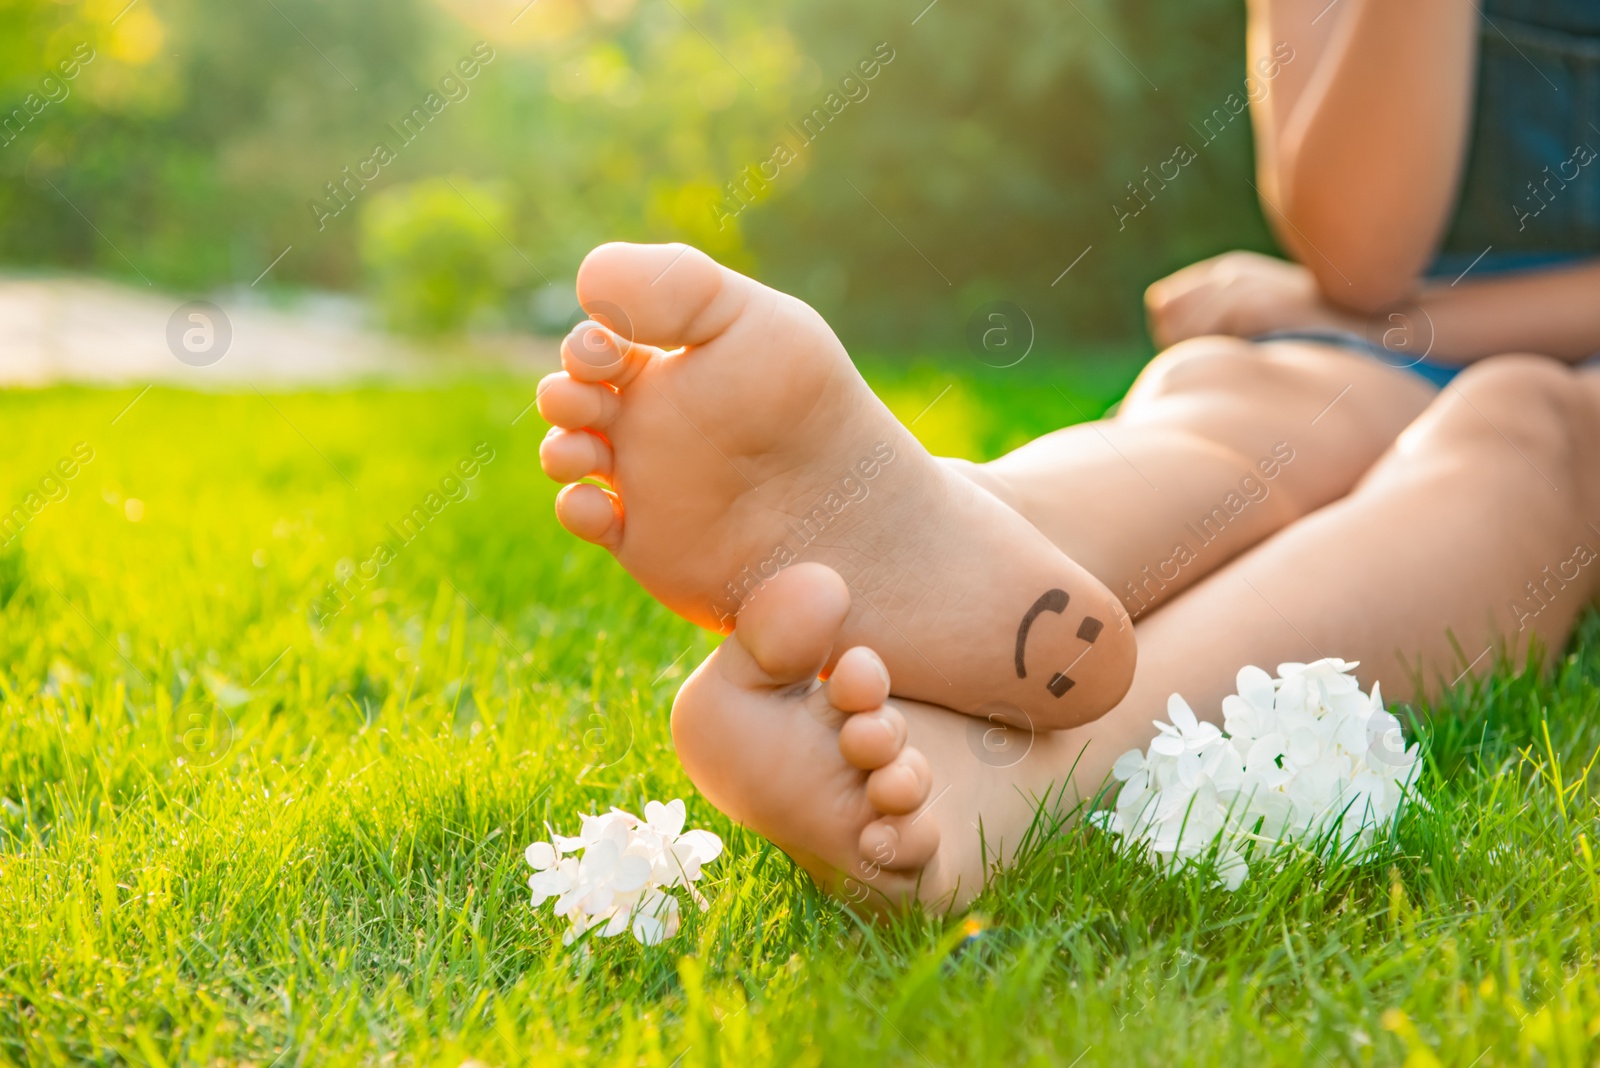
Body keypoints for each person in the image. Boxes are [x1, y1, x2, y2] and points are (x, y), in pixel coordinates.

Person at [537, 238, 1600, 913]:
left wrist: (1363, 322)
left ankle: (1019, 738)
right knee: (1255, 403)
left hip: (1436, 337)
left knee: (1521, 423)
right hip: (1368, 332)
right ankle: (978, 549)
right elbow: (1357, 223)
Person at [1147, 0, 1600, 372]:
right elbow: (1358, 262)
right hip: (1398, 337)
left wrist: (1388, 330)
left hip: (1423, 335)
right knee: (1207, 390)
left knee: (1504, 437)